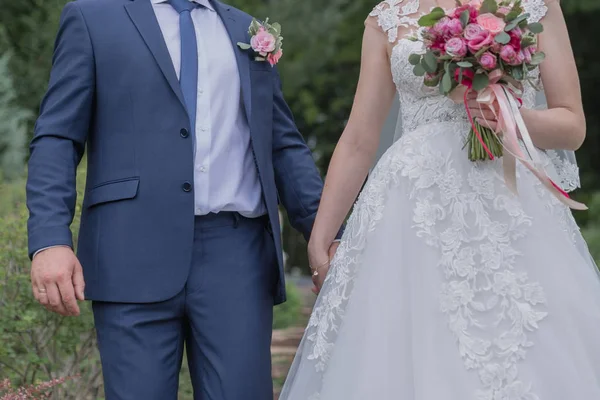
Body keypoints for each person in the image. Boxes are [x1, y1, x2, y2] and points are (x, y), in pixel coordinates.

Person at [281, 0, 600, 398]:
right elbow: (359, 139)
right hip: (410, 212)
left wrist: (511, 118)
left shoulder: (534, 5)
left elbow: (572, 125)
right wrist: (320, 237)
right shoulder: (387, 17)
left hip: (511, 199)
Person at [26, 0, 340, 398]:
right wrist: (51, 240)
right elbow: (57, 137)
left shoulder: (248, 30)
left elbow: (282, 146)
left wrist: (328, 235)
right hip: (130, 252)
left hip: (236, 256)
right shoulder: (92, 19)